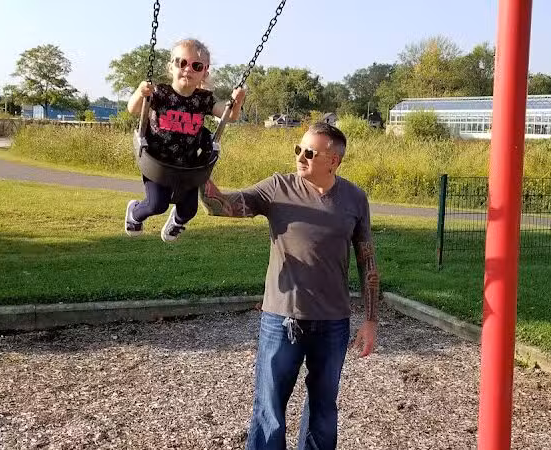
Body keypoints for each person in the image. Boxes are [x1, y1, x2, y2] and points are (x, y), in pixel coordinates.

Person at [201, 122, 381, 449]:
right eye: (298, 149)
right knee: (269, 408)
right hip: (281, 319)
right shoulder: (277, 188)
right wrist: (198, 175)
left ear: (334, 161)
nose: (300, 157)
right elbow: (222, 206)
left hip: (333, 323)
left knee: (323, 409)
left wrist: (370, 321)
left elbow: (366, 260)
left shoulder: (355, 198)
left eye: (310, 152)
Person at [125, 38, 245, 242]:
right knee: (156, 205)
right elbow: (134, 109)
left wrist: (238, 99)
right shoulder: (160, 93)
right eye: (182, 63)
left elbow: (229, 116)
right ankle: (135, 213)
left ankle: (177, 222)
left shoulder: (204, 99)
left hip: (187, 166)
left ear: (204, 72)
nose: (188, 69)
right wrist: (140, 92)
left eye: (196, 66)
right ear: (171, 66)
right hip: (157, 162)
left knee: (189, 209)